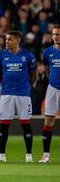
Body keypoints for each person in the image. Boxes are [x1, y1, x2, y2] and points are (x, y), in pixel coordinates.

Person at [0, 30, 36, 163]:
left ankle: (29, 155)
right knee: (4, 124)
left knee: (26, 124)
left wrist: (26, 86)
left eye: (10, 39)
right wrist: (4, 84)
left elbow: (33, 75)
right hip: (7, 94)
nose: (7, 41)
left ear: (18, 40)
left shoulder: (27, 56)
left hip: (23, 94)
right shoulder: (2, 55)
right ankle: (2, 155)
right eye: (6, 39)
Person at [40, 24, 60, 163]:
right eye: (54, 34)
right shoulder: (47, 52)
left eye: (58, 34)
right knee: (48, 120)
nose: (55, 36)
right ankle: (46, 154)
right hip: (53, 88)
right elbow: (47, 69)